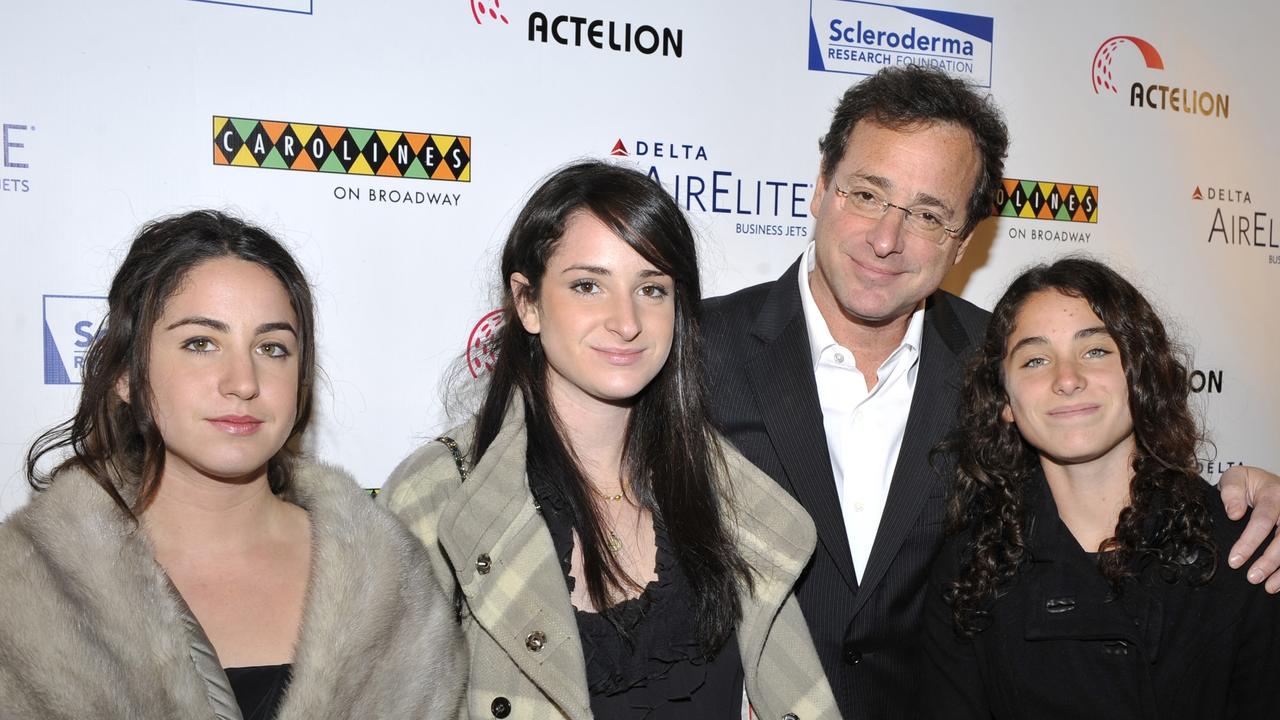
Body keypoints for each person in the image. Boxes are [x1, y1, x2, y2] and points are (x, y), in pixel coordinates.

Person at [700, 64, 1280, 719]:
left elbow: (1105, 487)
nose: (887, 239)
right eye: (867, 195)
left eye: (928, 214)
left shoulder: (1006, 362)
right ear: (821, 187)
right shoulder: (695, 350)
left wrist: (1251, 497)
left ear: (963, 243)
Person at [382, 160, 838, 719]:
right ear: (527, 303)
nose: (626, 321)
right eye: (587, 285)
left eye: (651, 288)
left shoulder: (730, 494)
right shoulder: (438, 497)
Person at [0, 210, 464, 719]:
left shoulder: (391, 583)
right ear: (126, 376)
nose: (243, 381)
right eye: (201, 343)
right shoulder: (27, 586)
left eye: (272, 348)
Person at [920, 257, 1280, 717]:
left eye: (1095, 351)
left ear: (1139, 373)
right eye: (1035, 359)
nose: (1067, 379)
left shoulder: (1243, 551)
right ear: (1005, 401)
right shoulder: (970, 570)